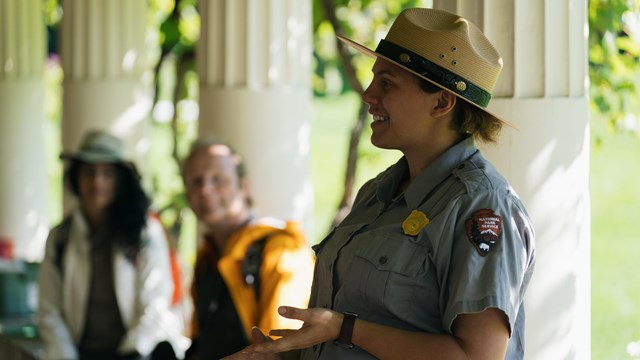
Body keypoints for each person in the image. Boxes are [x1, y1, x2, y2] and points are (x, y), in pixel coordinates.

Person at [225, 7, 536, 360]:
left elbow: (477, 356)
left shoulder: (482, 207)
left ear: (442, 102)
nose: (369, 94)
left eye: (387, 83)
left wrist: (345, 328)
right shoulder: (377, 192)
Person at [38, 130, 191, 360]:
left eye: (107, 173)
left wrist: (131, 352)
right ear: (76, 177)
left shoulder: (145, 232)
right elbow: (49, 309)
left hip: (137, 353)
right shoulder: (60, 237)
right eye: (89, 172)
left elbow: (155, 303)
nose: (97, 181)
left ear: (120, 180)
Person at [181, 139, 315, 360]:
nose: (205, 189)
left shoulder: (281, 250)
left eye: (218, 179)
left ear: (243, 186)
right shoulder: (207, 256)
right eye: (195, 182)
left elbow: (277, 352)